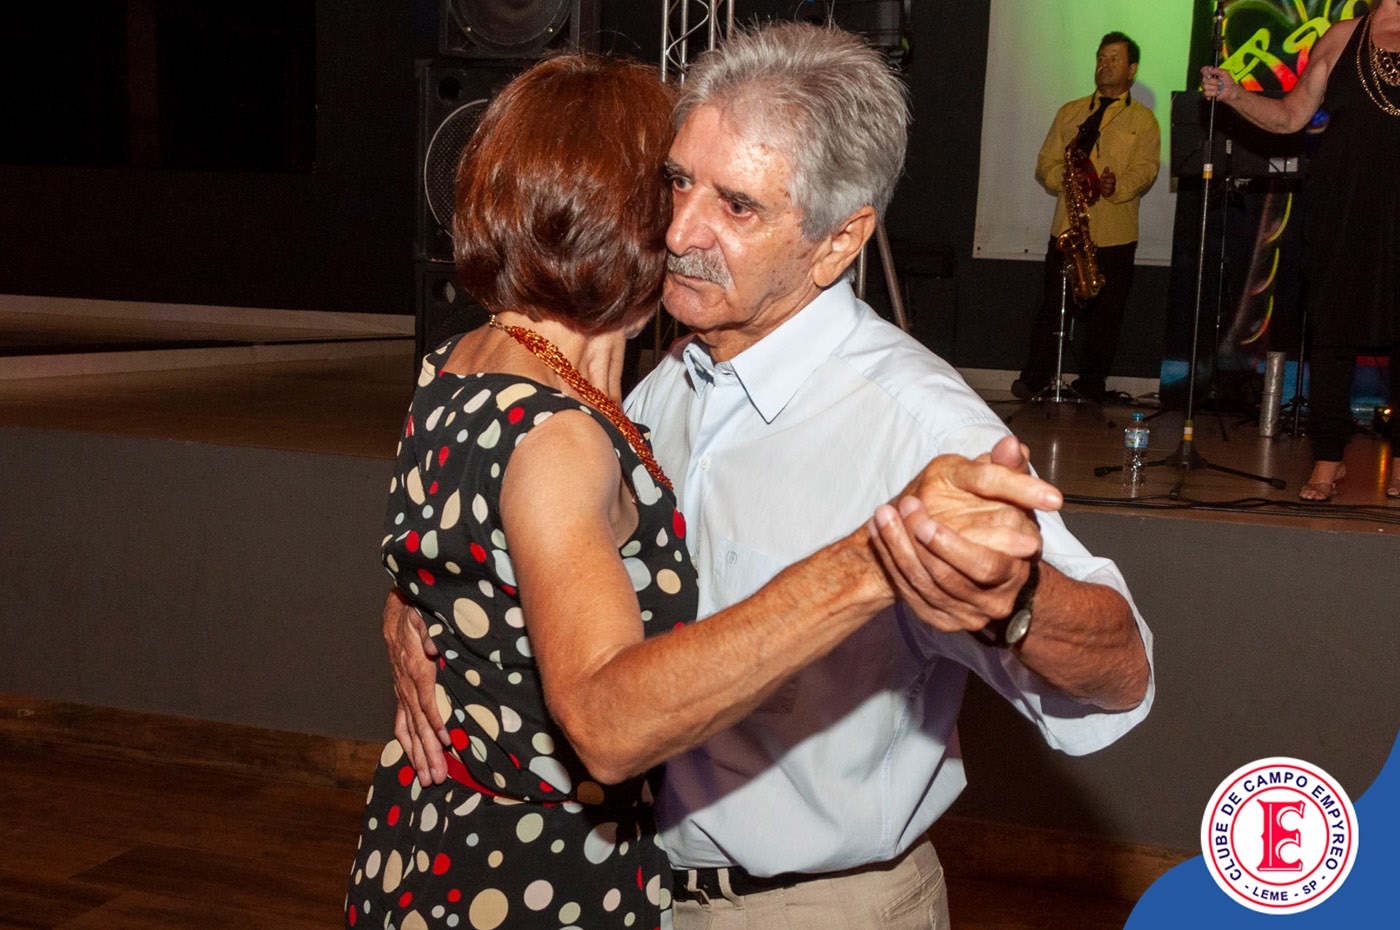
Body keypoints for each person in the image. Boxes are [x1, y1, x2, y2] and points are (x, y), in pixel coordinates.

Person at [387, 23, 1154, 930]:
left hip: (812, 909)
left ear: (838, 242)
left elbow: (1125, 673)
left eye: (738, 206)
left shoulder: (915, 427)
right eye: (678, 181)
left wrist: (1018, 598)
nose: (680, 230)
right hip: (631, 890)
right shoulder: (667, 380)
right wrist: (421, 604)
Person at [1204, 5, 1400, 501]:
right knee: (1333, 335)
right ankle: (1328, 457)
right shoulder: (1342, 36)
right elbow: (1291, 116)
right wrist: (1235, 94)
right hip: (1342, 207)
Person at [1013, 31, 1161, 405]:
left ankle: (1091, 386)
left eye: (1114, 59)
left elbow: (1147, 170)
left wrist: (1116, 186)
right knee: (1053, 309)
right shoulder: (1070, 112)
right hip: (1068, 228)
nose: (1104, 65)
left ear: (1132, 69)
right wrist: (1065, 178)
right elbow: (1045, 163)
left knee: (1106, 317)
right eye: (1100, 57)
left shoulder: (1144, 121)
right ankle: (1034, 381)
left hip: (1115, 234)